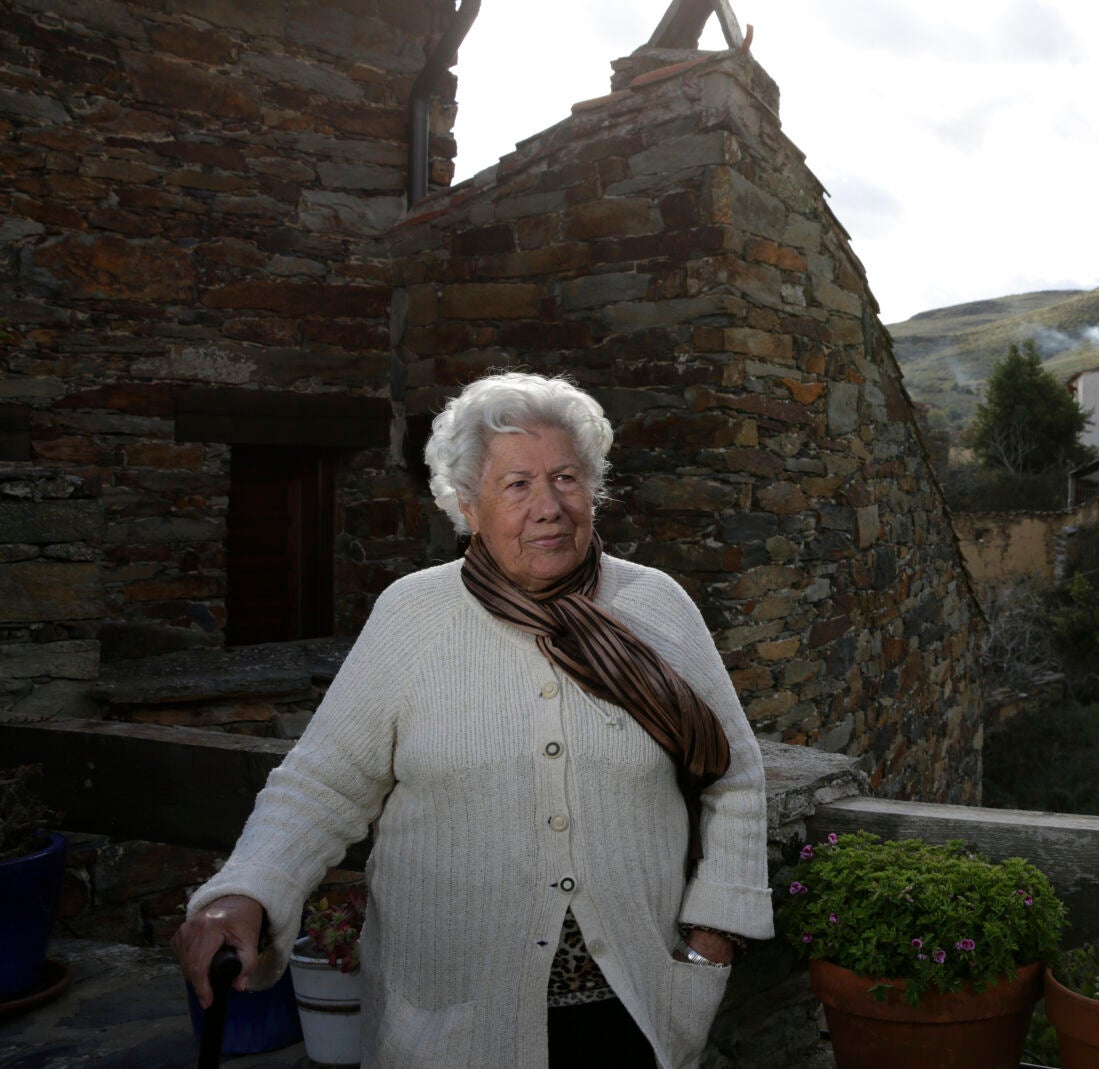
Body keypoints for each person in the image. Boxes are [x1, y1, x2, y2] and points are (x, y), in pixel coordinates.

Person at [173, 371, 771, 1068]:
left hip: (636, 1014)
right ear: (467, 505)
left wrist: (713, 937)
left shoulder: (655, 604)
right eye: (517, 484)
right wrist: (245, 892)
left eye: (567, 478)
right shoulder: (413, 614)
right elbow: (323, 783)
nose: (549, 507)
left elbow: (735, 777)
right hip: (450, 1026)